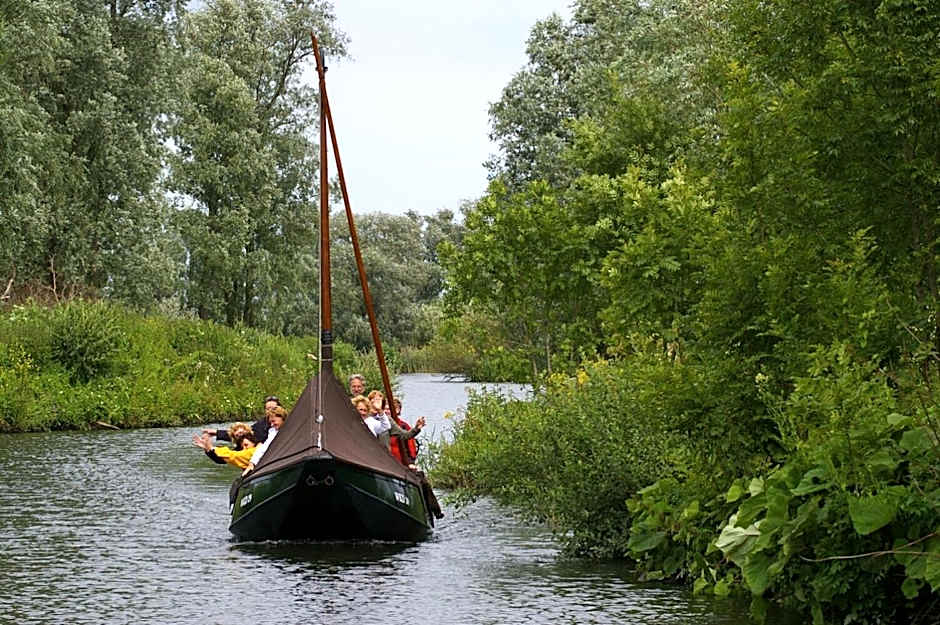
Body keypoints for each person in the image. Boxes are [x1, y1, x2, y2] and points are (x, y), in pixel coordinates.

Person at [203, 395, 281, 446]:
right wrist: (216, 433)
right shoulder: (261, 425)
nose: (271, 411)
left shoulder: (286, 422)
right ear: (265, 410)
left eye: (274, 408)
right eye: (268, 409)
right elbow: (244, 434)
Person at [242, 405, 288, 475]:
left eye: (273, 421)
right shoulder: (273, 431)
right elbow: (264, 447)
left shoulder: (292, 427)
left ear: (281, 417)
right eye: (270, 422)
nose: (272, 424)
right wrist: (252, 463)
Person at [192, 428, 257, 470]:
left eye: (246, 445)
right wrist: (207, 449)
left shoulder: (256, 449)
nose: (244, 448)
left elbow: (232, 455)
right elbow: (221, 460)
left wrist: (211, 447)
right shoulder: (241, 449)